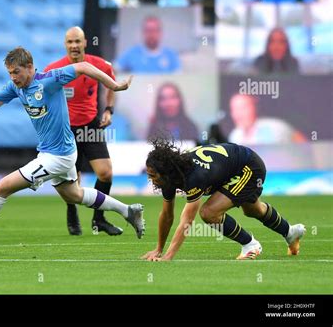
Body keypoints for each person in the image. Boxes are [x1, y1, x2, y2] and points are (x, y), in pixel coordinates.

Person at [0, 47, 145, 243]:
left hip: (57, 156)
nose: (13, 77)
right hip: (57, 152)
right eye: (10, 73)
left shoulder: (49, 81)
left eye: (16, 72)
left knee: (2, 186)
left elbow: (83, 67)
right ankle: (128, 211)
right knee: (75, 195)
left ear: (29, 67)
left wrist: (114, 86)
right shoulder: (15, 87)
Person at [141, 138, 306, 261]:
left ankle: (250, 245)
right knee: (252, 210)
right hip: (228, 170)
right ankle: (290, 232)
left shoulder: (194, 177)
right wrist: (159, 249)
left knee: (208, 212)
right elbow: (167, 215)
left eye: (153, 175)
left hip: (248, 167)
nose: (151, 180)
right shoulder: (169, 178)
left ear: (166, 172)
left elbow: (187, 220)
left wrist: (168, 256)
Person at [45, 26, 123, 236]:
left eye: (78, 41)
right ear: (65, 45)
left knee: (105, 173)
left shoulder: (97, 65)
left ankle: (99, 220)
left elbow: (112, 85)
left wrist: (109, 110)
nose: (74, 46)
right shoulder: (54, 69)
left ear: (85, 42)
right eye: (70, 42)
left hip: (91, 126)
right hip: (65, 130)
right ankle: (72, 212)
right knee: (73, 180)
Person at [228, 93, 307, 145]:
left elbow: (304, 145)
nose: (238, 114)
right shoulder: (235, 136)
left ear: (255, 108)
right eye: (234, 109)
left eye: (243, 108)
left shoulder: (275, 127)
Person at [115, 16, 181, 73]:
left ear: (160, 33)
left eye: (154, 30)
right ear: (143, 33)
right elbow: (114, 70)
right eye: (148, 30)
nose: (151, 34)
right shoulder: (131, 53)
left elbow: (179, 80)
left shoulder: (171, 55)